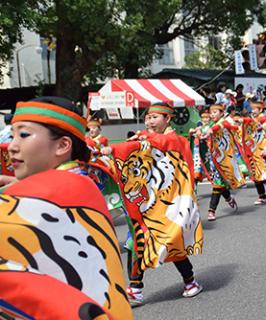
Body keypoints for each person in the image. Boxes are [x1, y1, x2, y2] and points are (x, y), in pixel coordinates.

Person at [0, 96, 132, 319]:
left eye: (23, 135)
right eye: (12, 135)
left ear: (62, 145)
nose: (12, 147)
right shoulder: (77, 182)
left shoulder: (55, 192)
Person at [104, 102, 203, 306]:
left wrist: (129, 144)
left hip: (171, 203)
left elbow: (164, 142)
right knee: (137, 241)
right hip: (149, 203)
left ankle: (190, 281)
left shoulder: (176, 140)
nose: (149, 121)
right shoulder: (145, 139)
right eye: (148, 117)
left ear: (168, 119)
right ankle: (135, 288)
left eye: (155, 117)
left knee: (171, 244)